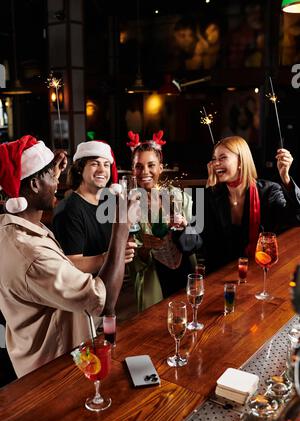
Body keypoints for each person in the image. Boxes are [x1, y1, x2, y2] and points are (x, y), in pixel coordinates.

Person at [0, 135, 138, 378]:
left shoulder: (12, 228)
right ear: (33, 185)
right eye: (52, 177)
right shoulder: (31, 254)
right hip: (52, 370)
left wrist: (51, 169)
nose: (58, 182)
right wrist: (121, 225)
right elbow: (104, 302)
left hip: (45, 357)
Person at [202, 136, 300, 272]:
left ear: (241, 161)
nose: (216, 163)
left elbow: (296, 218)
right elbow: (198, 243)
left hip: (260, 270)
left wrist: (286, 179)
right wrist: (209, 192)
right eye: (214, 159)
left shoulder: (269, 190)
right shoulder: (208, 195)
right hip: (218, 274)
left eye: (222, 157)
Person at [127, 130, 200, 311]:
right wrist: (144, 247)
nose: (145, 172)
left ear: (161, 167)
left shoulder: (181, 198)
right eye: (139, 166)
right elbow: (130, 265)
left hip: (186, 275)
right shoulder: (126, 206)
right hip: (153, 281)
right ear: (132, 169)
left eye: (151, 165)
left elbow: (196, 244)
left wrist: (185, 227)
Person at [53, 140, 136, 274]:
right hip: (86, 290)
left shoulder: (109, 202)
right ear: (80, 169)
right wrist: (111, 257)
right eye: (94, 163)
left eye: (106, 164)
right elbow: (71, 264)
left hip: (113, 284)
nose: (102, 170)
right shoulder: (69, 209)